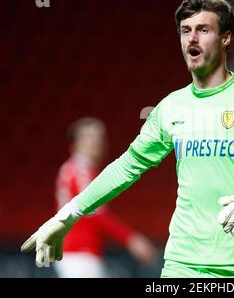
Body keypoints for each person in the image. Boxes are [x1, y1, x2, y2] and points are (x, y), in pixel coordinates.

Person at [21, 0, 234, 278]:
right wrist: (69, 213)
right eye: (185, 30)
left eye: (203, 29)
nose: (192, 38)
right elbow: (127, 166)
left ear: (226, 38)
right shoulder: (170, 108)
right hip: (179, 266)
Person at [54, 117, 157, 277]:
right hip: (78, 253)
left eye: (99, 137)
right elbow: (96, 215)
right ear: (75, 143)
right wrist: (131, 240)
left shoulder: (79, 170)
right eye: (89, 136)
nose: (96, 142)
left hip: (80, 253)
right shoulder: (79, 171)